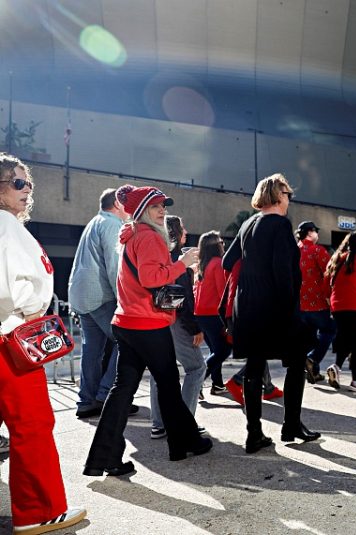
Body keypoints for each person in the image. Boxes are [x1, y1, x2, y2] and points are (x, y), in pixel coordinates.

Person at [84, 185, 212, 475]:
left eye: (163, 206)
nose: (162, 211)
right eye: (155, 206)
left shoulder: (131, 236)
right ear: (142, 211)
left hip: (126, 322)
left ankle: (105, 458)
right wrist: (183, 264)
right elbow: (152, 278)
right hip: (148, 324)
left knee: (123, 390)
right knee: (168, 386)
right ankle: (184, 444)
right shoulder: (150, 237)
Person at [0, 153, 87, 533]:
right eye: (17, 182)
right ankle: (38, 512)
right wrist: (34, 310)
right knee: (32, 425)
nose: (26, 189)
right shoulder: (5, 226)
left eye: (28, 183)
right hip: (10, 339)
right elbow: (16, 290)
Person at [226, 173, 320, 453]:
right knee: (296, 362)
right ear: (279, 196)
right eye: (288, 194)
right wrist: (291, 312)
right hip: (276, 307)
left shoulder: (247, 224)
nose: (290, 198)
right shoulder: (280, 224)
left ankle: (254, 433)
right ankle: (291, 425)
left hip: (248, 307)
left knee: (254, 369)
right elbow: (284, 273)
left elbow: (229, 261)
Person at [68, 188, 139, 419]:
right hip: (100, 297)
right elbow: (114, 266)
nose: (130, 210)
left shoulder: (94, 222)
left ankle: (87, 401)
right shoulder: (112, 225)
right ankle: (107, 396)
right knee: (128, 342)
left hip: (83, 296)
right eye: (127, 204)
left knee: (92, 351)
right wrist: (125, 300)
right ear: (118, 204)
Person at [149, 216, 207, 439]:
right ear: (175, 232)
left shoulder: (160, 257)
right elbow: (184, 302)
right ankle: (185, 422)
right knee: (196, 368)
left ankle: (159, 423)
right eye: (182, 228)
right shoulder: (179, 262)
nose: (186, 231)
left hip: (156, 321)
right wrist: (195, 329)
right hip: (176, 321)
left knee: (160, 372)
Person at [219, 256, 283, 406]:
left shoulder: (237, 262)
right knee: (260, 353)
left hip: (237, 312)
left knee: (260, 351)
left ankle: (268, 388)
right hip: (251, 313)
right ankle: (237, 380)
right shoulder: (253, 263)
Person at [323, 231, 356, 391]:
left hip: (337, 306)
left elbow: (326, 281)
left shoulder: (337, 259)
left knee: (346, 339)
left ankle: (336, 367)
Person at [193, 230, 232, 395]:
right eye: (221, 243)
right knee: (223, 351)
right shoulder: (217, 263)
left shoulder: (201, 264)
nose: (223, 245)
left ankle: (217, 384)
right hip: (213, 314)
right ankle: (198, 382)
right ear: (216, 246)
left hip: (200, 314)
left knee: (215, 350)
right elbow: (223, 291)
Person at [297, 220, 336, 383]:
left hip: (300, 305)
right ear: (310, 232)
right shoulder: (317, 250)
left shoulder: (293, 251)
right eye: (316, 232)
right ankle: (313, 359)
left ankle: (312, 373)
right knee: (329, 331)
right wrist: (329, 298)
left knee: (310, 338)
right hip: (318, 303)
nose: (317, 235)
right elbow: (329, 274)